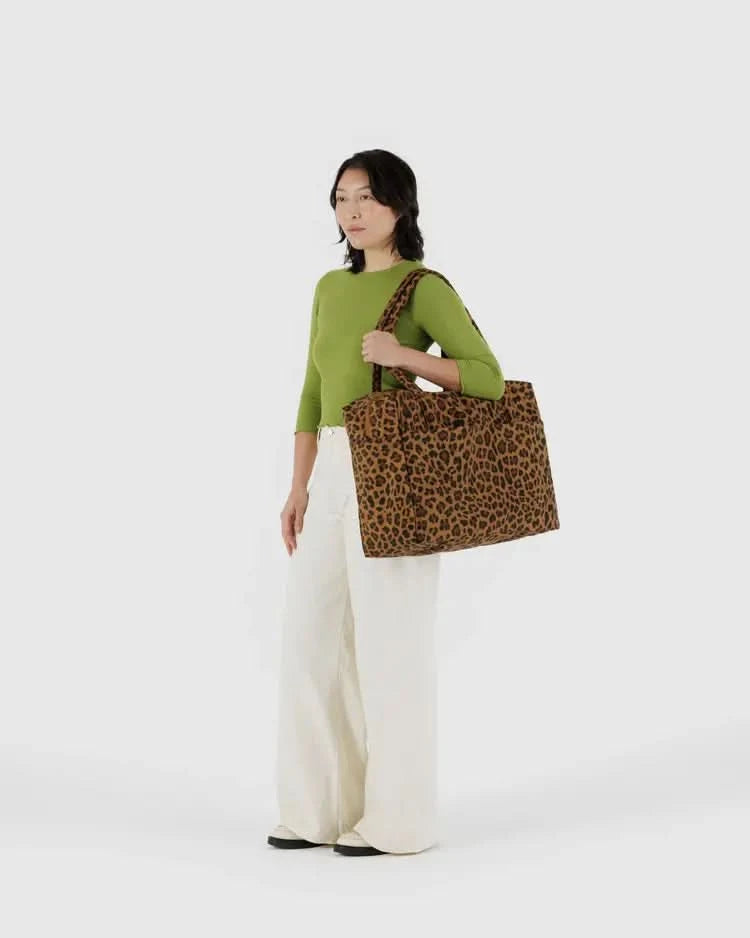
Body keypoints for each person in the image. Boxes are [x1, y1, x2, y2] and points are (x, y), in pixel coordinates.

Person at [268, 149, 505, 857]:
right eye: (343, 198)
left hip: (394, 473)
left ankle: (399, 822)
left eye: (367, 196)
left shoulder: (422, 287)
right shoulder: (328, 288)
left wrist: (405, 357)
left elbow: (489, 379)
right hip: (331, 471)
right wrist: (299, 486)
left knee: (390, 647)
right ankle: (317, 811)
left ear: (400, 204)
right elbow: (311, 392)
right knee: (310, 642)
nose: (353, 210)